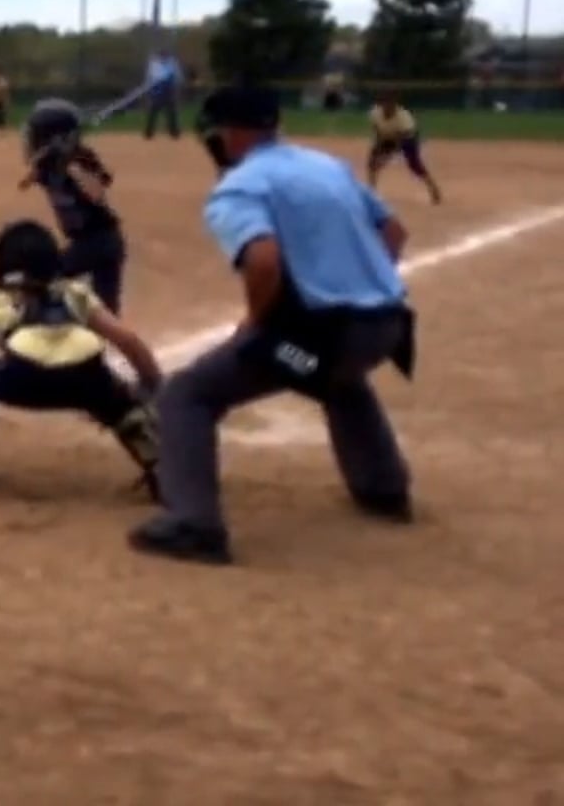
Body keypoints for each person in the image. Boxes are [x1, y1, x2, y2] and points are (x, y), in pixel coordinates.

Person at [130, 83, 418, 566]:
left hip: (316, 340)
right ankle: (384, 490)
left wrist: (256, 321)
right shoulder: (326, 166)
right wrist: (358, 285)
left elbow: (263, 260)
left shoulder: (241, 186)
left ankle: (194, 524)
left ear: (230, 134)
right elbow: (394, 233)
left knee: (186, 394)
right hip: (387, 326)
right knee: (330, 377)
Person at [0, 220, 164, 498]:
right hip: (85, 383)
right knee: (117, 396)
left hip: (23, 381)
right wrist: (152, 383)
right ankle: (162, 469)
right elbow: (128, 341)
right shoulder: (75, 293)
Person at [18, 99, 127, 312]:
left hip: (101, 241)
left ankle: (45, 320)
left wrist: (74, 168)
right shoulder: (48, 162)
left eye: (35, 135)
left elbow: (97, 194)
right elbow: (24, 183)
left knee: (45, 278)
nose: (30, 140)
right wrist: (49, 157)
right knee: (106, 309)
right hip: (84, 241)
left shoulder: (81, 158)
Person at [366, 91, 442, 204]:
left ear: (395, 105)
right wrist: (379, 149)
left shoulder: (403, 117)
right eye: (385, 103)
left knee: (415, 165)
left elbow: (401, 140)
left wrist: (388, 156)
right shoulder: (375, 113)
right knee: (372, 162)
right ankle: (371, 193)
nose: (387, 107)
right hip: (386, 136)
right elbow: (377, 129)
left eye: (390, 104)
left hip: (407, 139)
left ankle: (433, 188)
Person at [140, 48, 183, 139]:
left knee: (171, 112)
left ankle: (174, 132)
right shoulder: (154, 64)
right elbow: (150, 76)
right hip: (157, 90)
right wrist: (150, 87)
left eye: (165, 56)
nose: (164, 58)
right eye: (162, 56)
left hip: (168, 90)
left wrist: (175, 84)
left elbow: (177, 76)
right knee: (154, 111)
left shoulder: (172, 63)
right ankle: (149, 132)